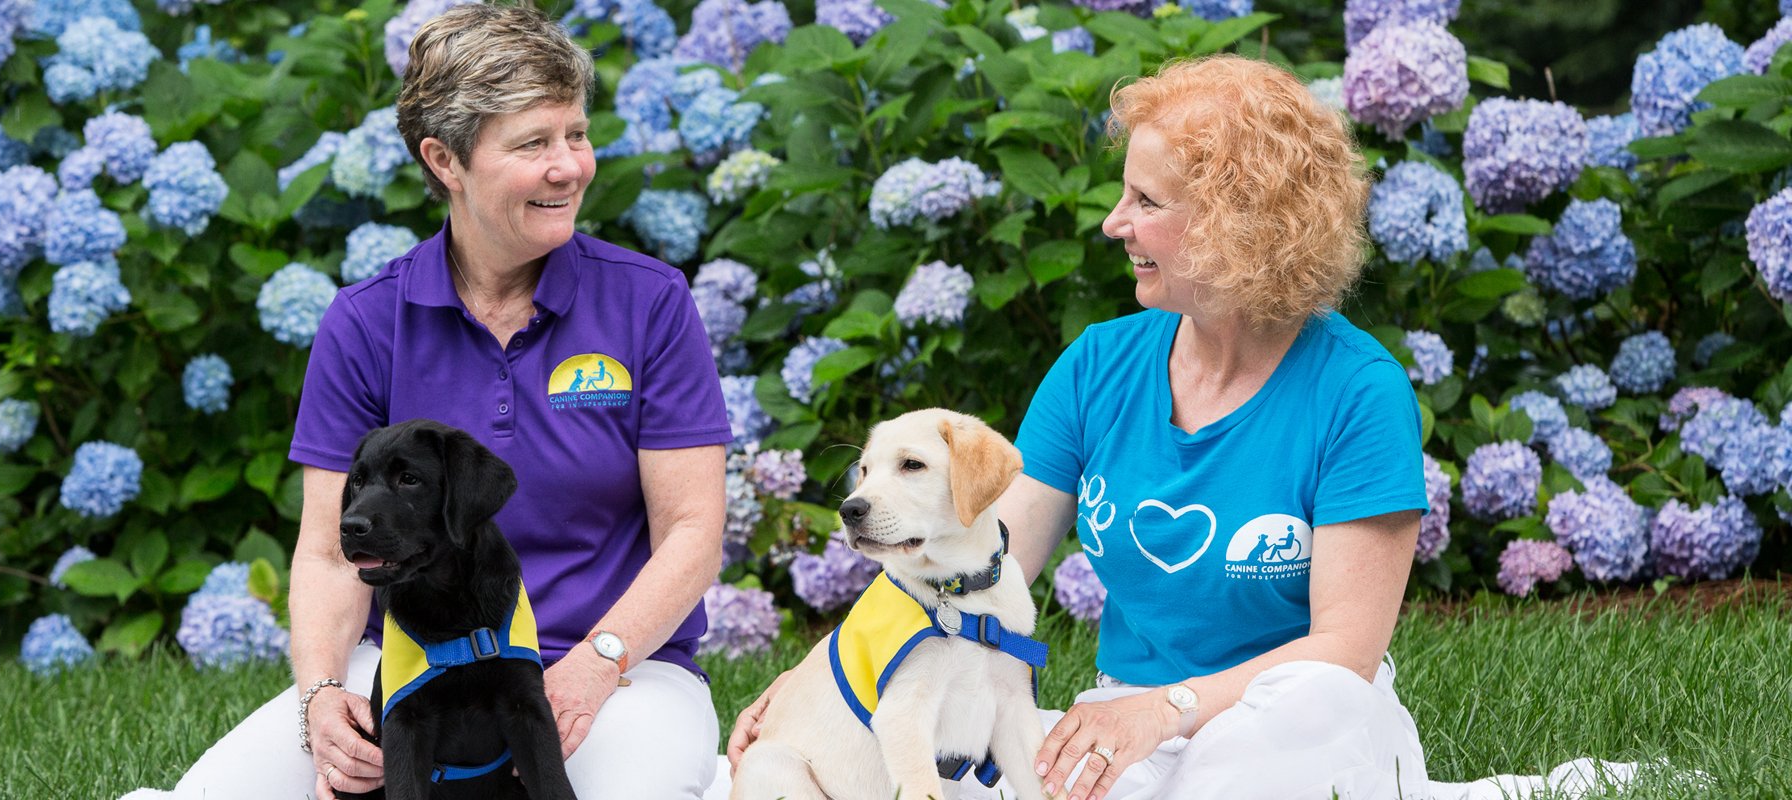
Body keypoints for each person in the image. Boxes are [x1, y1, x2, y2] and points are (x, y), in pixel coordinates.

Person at [722, 55, 1623, 800]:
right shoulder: (1100, 365)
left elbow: (1344, 652)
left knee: (1284, 725)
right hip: (1132, 721)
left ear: (1244, 227)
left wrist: (1167, 708)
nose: (1116, 223)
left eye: (1147, 203)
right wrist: (818, 676)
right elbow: (977, 555)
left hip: (1293, 722)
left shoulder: (1358, 393)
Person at [126, 6, 731, 799]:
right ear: (444, 159)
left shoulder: (648, 303)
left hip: (619, 670)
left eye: (575, 135)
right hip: (412, 661)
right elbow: (328, 549)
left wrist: (596, 664)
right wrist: (321, 695)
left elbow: (691, 529)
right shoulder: (368, 320)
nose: (569, 167)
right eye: (533, 144)